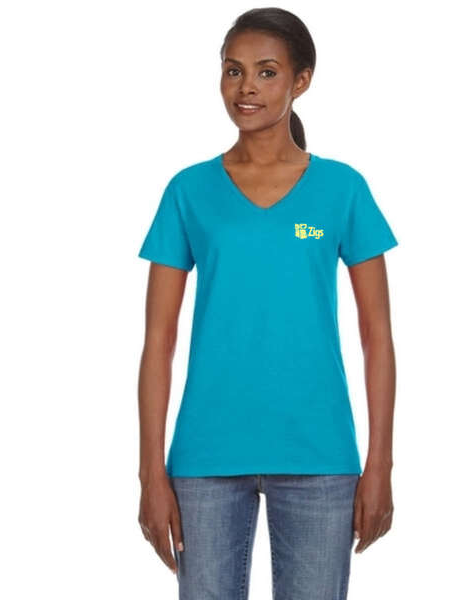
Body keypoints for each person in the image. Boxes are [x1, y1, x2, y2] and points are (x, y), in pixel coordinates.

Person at [137, 8, 398, 600]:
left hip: (319, 454)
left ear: (301, 80)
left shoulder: (343, 188)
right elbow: (158, 342)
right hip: (204, 458)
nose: (246, 87)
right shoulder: (187, 191)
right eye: (233, 70)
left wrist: (379, 464)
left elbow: (377, 336)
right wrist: (151, 472)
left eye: (266, 71)